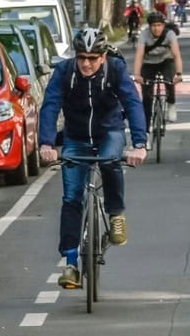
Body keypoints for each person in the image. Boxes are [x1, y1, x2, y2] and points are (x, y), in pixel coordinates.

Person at [38, 28, 149, 289]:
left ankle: (115, 213)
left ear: (103, 57)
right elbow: (50, 105)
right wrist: (46, 143)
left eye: (92, 58)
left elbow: (132, 103)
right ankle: (71, 263)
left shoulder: (116, 70)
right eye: (81, 57)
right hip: (75, 136)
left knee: (111, 161)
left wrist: (140, 144)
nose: (86, 63)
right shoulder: (65, 72)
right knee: (71, 198)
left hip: (108, 131)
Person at [132, 9, 185, 124]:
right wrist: (137, 74)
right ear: (149, 27)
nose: (157, 28)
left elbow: (176, 55)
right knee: (146, 93)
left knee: (169, 82)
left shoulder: (169, 34)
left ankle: (171, 104)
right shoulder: (144, 35)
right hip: (149, 63)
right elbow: (139, 55)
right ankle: (146, 120)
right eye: (154, 26)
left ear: (163, 25)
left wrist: (179, 74)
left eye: (159, 25)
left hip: (165, 61)